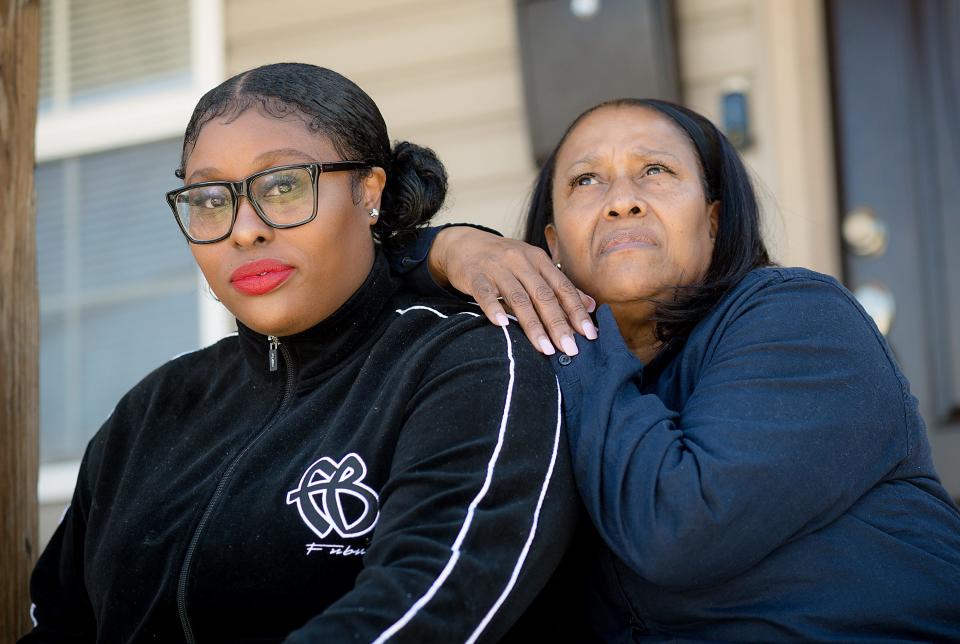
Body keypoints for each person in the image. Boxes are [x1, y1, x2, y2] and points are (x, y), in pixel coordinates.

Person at [21, 63, 582, 643]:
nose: (244, 231)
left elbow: (432, 604)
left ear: (369, 191)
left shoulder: (469, 364)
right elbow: (59, 623)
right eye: (210, 199)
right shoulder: (149, 413)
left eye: (284, 185)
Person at [396, 98, 960, 640]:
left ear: (713, 221)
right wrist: (451, 249)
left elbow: (680, 529)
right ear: (552, 244)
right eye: (586, 180)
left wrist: (562, 321)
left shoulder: (799, 315)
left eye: (655, 170)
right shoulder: (543, 375)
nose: (622, 201)